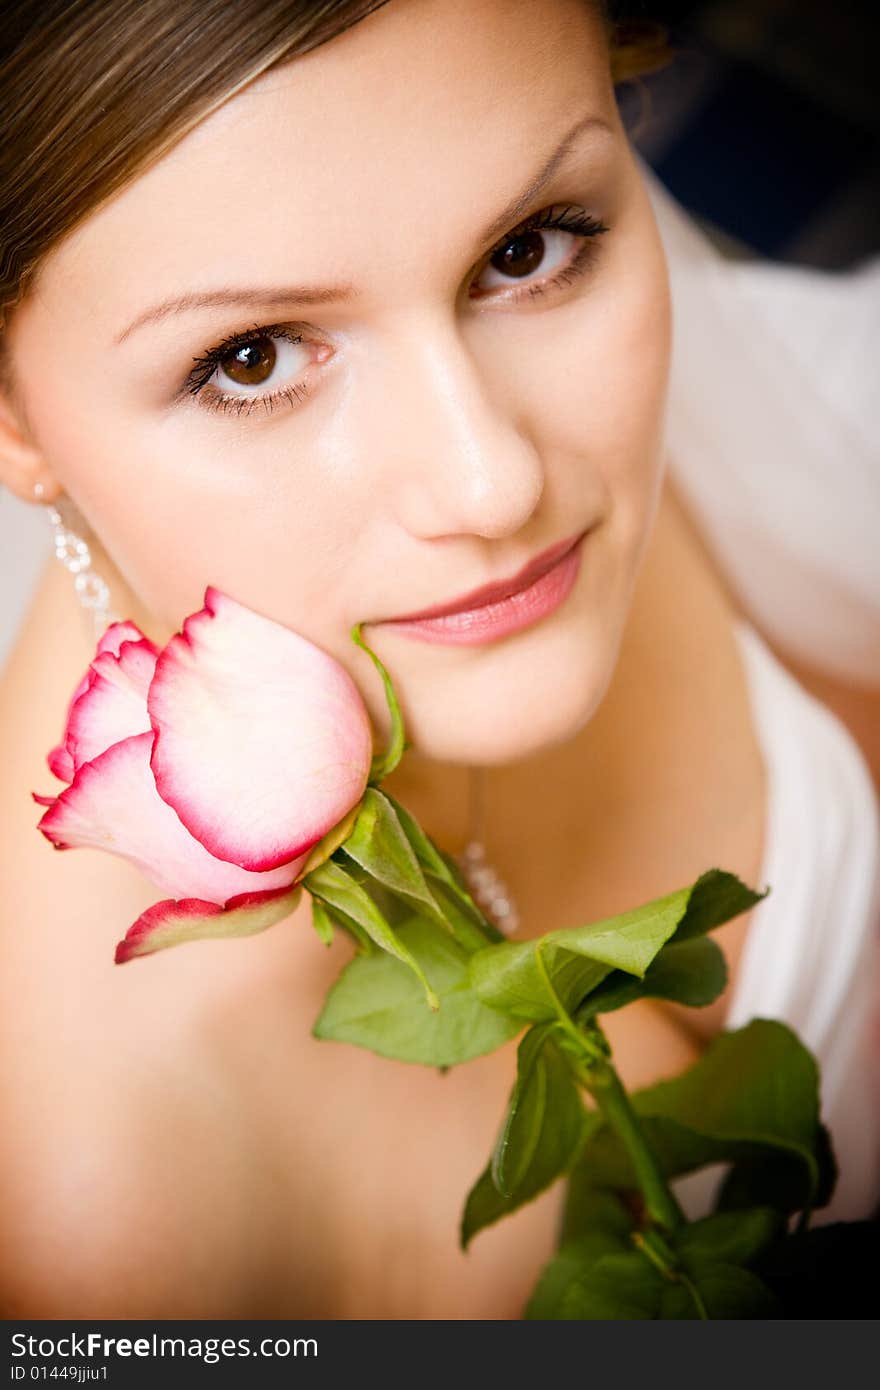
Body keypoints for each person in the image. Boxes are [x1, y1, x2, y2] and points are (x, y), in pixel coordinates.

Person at [0, 0, 877, 1319]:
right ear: (15, 414)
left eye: (525, 249)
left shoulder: (626, 434)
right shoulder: (114, 1243)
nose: (495, 479)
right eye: (254, 359)